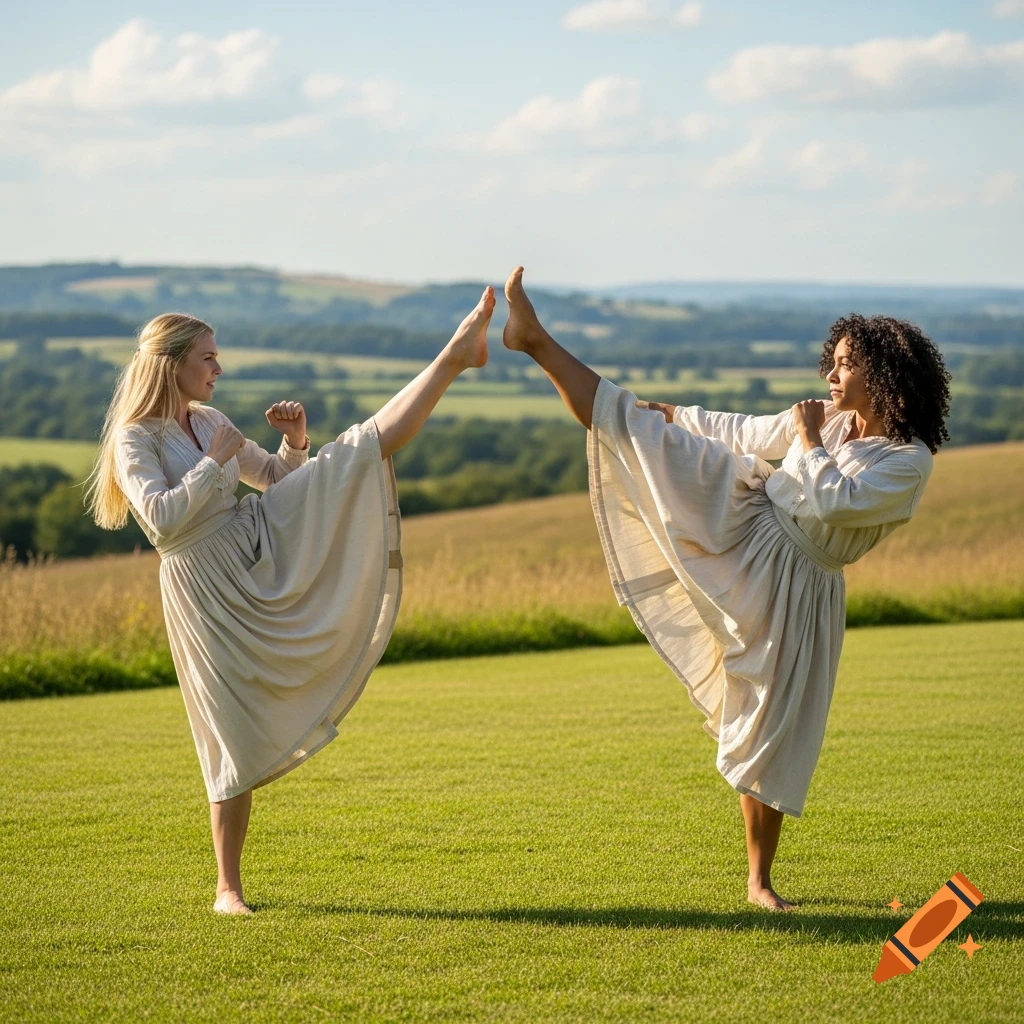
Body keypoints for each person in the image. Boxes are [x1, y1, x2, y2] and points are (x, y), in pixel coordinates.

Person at [500, 266, 951, 910]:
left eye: (846, 364)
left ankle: (759, 880)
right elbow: (748, 433)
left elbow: (835, 502)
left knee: (771, 723)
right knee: (635, 428)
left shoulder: (908, 461)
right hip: (744, 520)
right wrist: (677, 416)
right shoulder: (831, 419)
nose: (832, 374)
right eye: (834, 361)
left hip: (799, 583)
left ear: (882, 374)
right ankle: (535, 340)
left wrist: (807, 438)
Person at [85, 288, 495, 915]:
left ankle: (452, 358)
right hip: (203, 584)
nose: (218, 368)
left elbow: (275, 479)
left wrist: (296, 443)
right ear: (172, 364)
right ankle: (228, 889)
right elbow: (162, 520)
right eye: (208, 357)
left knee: (349, 457)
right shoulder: (134, 438)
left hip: (256, 542)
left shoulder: (210, 422)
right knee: (230, 727)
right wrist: (212, 464)